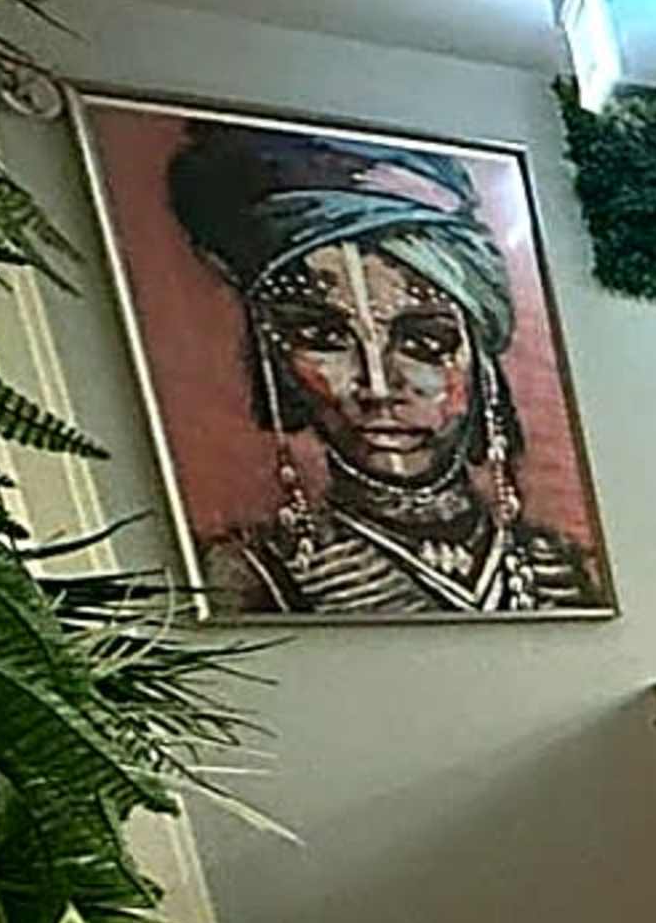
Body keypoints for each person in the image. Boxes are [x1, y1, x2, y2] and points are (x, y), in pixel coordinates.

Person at [163, 129, 611, 616]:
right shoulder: (250, 576)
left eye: (423, 343)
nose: (377, 387)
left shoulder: (568, 568)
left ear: (480, 360)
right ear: (276, 362)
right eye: (323, 338)